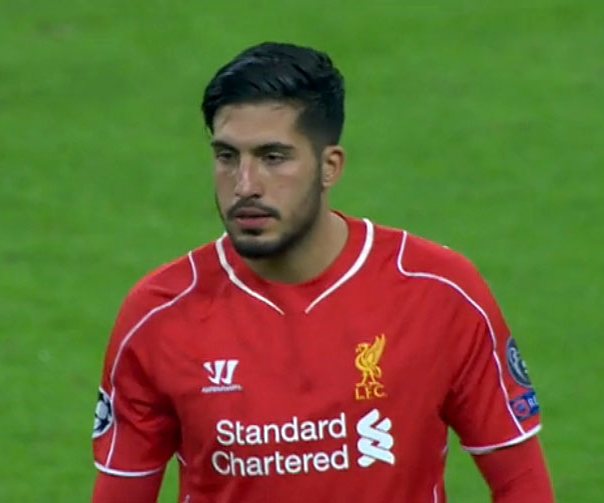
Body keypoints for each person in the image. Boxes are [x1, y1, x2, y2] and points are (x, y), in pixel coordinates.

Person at [91, 41, 554, 503]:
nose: (245, 186)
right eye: (227, 156)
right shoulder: (159, 315)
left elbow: (521, 483)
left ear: (330, 166)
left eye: (273, 157)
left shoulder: (438, 292)